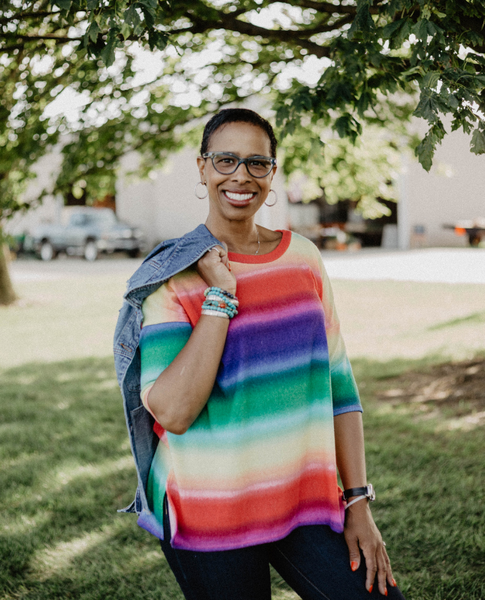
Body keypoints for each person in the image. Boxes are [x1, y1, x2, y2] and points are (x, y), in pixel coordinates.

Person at [114, 108, 407, 600]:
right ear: (203, 167)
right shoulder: (173, 273)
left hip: (305, 504)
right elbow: (174, 411)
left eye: (257, 163)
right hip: (210, 510)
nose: (241, 176)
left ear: (272, 174)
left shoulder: (303, 258)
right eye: (225, 159)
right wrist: (219, 298)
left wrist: (357, 501)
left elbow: (339, 386)